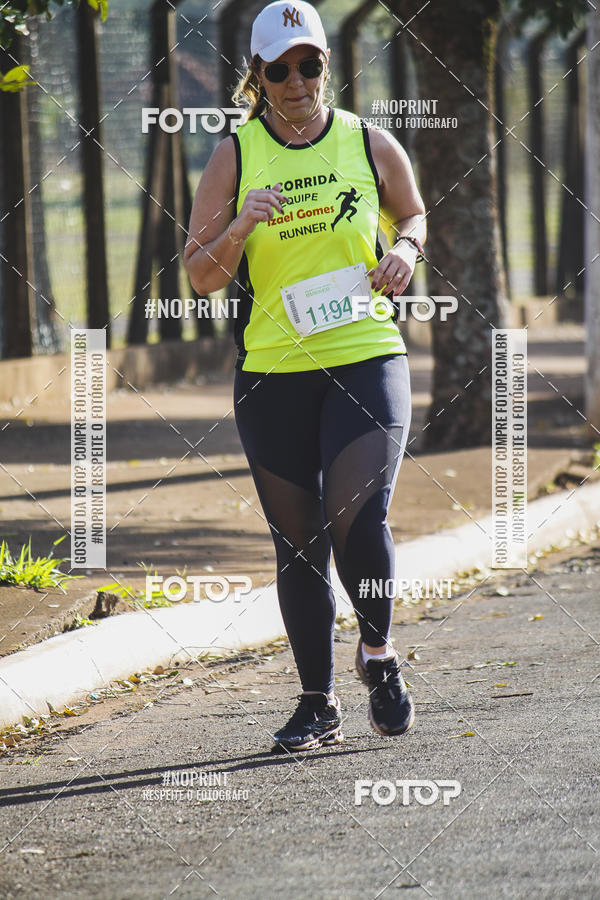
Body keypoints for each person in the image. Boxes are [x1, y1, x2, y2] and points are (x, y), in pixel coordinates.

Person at [184, 0, 427, 753]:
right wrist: (241, 225)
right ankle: (318, 703)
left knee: (360, 512)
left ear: (327, 64)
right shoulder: (236, 153)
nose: (297, 81)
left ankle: (380, 655)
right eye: (280, 69)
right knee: (298, 543)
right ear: (258, 76)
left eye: (309, 64)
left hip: (366, 355)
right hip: (275, 375)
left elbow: (414, 215)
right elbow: (198, 277)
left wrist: (407, 254)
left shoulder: (367, 140)